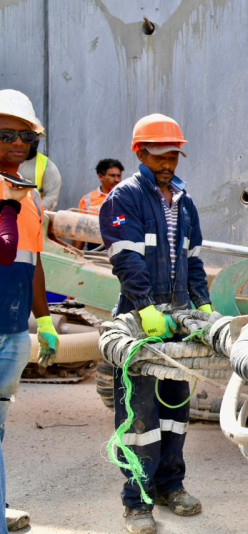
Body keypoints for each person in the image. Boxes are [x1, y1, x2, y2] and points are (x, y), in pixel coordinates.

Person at [99, 113, 211, 534]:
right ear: (140, 153)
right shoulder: (124, 198)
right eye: (159, 156)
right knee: (139, 418)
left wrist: (204, 308)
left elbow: (193, 260)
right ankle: (137, 502)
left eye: (173, 156)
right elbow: (125, 259)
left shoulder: (184, 201)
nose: (168, 163)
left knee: (175, 412)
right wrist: (146, 308)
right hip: (139, 323)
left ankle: (171, 485)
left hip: (179, 321)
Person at [0, 89, 60, 533]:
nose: (18, 142)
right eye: (6, 134)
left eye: (26, 135)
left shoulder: (30, 196)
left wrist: (43, 321)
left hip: (13, 333)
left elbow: (33, 262)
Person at [72, 159, 124, 251]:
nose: (117, 180)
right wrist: (74, 256)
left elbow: (127, 222)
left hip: (120, 246)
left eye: (119, 176)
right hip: (95, 248)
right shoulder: (87, 199)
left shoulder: (126, 198)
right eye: (112, 176)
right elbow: (80, 230)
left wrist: (107, 222)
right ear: (100, 176)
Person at [17, 137, 62, 211]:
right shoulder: (5, 161)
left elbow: (51, 197)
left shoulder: (47, 166)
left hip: (31, 217)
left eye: (35, 136)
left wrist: (36, 212)